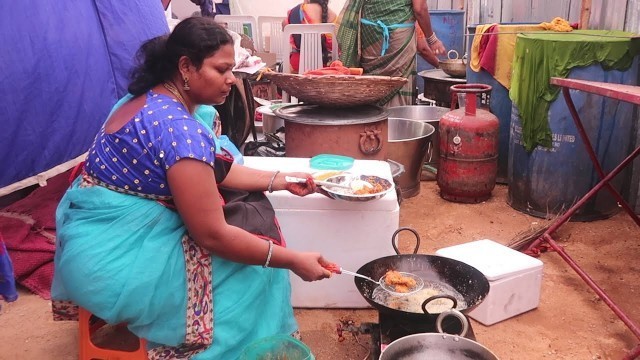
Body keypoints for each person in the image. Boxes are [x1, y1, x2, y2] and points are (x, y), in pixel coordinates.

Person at [51, 17, 336, 359]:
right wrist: (291, 261)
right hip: (115, 262)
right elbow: (212, 235)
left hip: (88, 238)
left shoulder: (144, 99)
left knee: (253, 231)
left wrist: (281, 182)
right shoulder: (180, 130)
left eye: (233, 69)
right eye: (221, 70)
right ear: (185, 66)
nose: (232, 80)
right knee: (257, 271)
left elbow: (216, 171)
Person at [336, 0, 446, 107]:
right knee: (398, 81)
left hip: (369, 34)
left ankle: (372, 119)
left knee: (371, 81)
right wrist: (432, 39)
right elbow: (419, 9)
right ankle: (397, 119)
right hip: (397, 36)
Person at [283, 0, 337, 73]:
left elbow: (285, 28)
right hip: (325, 68)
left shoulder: (295, 12)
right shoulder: (333, 16)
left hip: (297, 64)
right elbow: (335, 46)